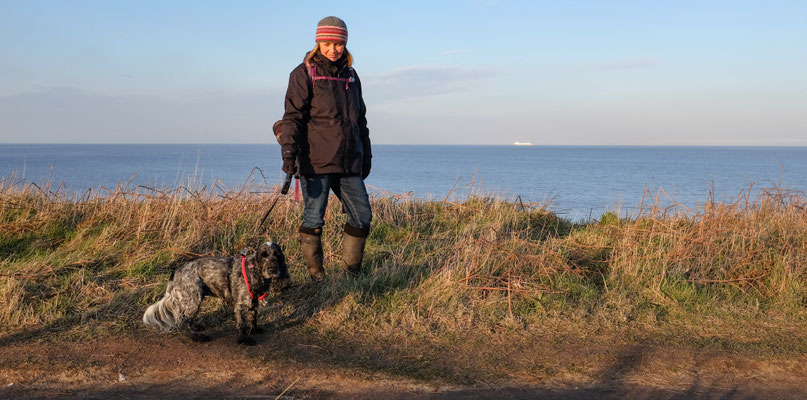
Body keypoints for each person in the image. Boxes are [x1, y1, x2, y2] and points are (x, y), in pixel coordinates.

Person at [277, 16, 372, 281]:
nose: (333, 49)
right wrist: (289, 154)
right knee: (314, 219)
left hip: (349, 161)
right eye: (328, 43)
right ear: (318, 42)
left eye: (338, 44)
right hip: (315, 160)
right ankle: (317, 277)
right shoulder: (303, 73)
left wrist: (367, 155)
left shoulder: (352, 76)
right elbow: (292, 117)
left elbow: (360, 120)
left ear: (345, 44)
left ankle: (351, 276)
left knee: (362, 216)